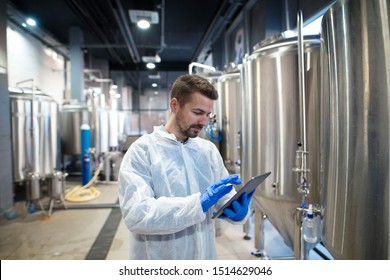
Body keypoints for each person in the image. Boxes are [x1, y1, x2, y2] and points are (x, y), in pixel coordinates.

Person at [118, 74, 254, 260]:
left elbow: (222, 199)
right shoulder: (143, 151)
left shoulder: (208, 151)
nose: (204, 122)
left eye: (208, 115)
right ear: (175, 105)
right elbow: (137, 215)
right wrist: (197, 204)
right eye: (197, 113)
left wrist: (237, 209)